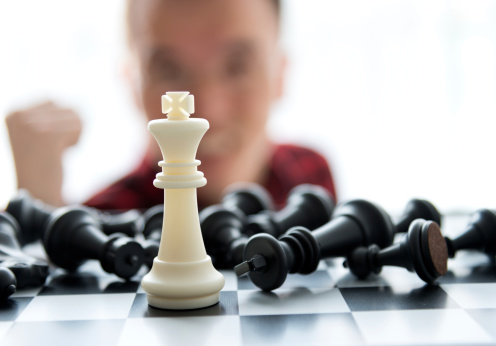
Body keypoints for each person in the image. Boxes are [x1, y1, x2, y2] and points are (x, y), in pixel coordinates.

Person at [6, 0, 337, 210]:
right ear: (131, 86)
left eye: (238, 66)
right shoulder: (103, 220)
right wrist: (36, 222)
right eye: (169, 71)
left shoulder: (311, 176)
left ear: (280, 75)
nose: (207, 111)